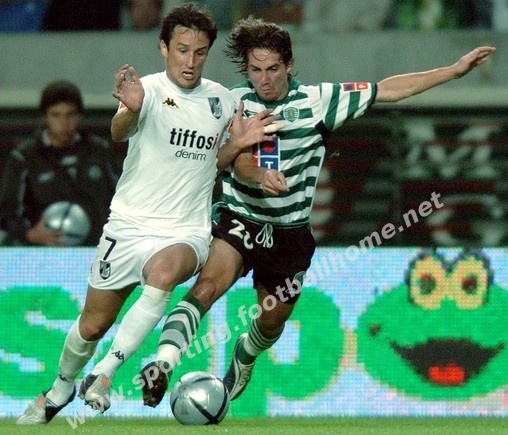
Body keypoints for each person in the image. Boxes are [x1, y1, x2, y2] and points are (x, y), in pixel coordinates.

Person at [135, 16, 496, 407]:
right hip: (240, 218)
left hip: (289, 232)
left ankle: (247, 352)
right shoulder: (232, 102)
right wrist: (260, 176)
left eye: (273, 69)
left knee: (272, 320)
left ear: (289, 65)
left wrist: (453, 71)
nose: (264, 79)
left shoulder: (318, 101)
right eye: (255, 70)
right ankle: (163, 364)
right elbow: (234, 160)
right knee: (206, 287)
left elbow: (387, 90)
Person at [16, 3, 279, 424]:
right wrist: (132, 110)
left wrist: (252, 163)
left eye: (199, 52)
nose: (190, 61)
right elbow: (118, 132)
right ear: (163, 48)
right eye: (182, 50)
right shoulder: (147, 91)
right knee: (92, 325)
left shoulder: (223, 101)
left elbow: (224, 161)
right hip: (128, 225)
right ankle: (62, 387)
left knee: (165, 273)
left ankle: (104, 373)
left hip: (186, 229)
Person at [0, 79, 118, 247]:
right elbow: (7, 211)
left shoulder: (99, 151)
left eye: (70, 114)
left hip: (97, 249)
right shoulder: (24, 158)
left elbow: (123, 196)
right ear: (45, 117)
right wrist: (29, 234)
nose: (64, 122)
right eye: (56, 115)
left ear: (80, 115)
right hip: (43, 253)